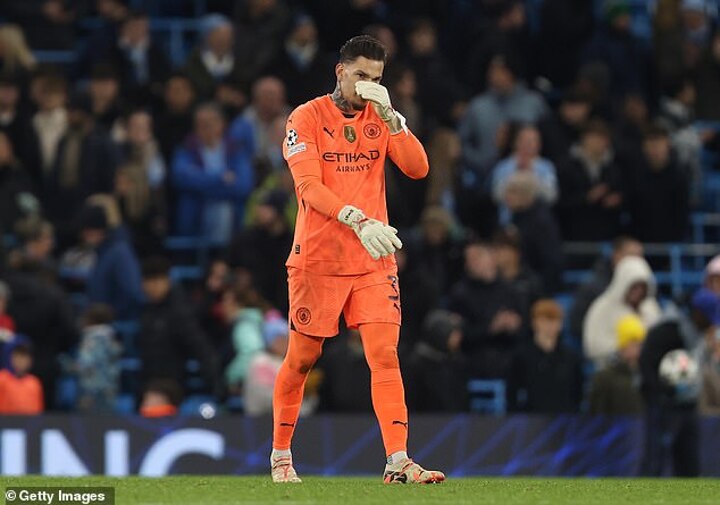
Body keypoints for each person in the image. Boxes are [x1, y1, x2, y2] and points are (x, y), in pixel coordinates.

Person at [270, 35, 444, 484]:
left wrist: (391, 116)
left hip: (372, 259)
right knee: (302, 360)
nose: (368, 86)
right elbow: (308, 186)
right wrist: (356, 217)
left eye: (377, 79)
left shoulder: (381, 117)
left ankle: (398, 461)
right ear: (340, 71)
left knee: (384, 356)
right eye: (361, 76)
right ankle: (281, 456)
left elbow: (418, 168)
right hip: (319, 260)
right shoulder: (305, 118)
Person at [583, 256, 662, 367]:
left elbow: (659, 340)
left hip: (646, 367)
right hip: (610, 369)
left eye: (642, 287)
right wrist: (622, 349)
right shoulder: (602, 308)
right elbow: (592, 345)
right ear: (623, 283)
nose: (638, 292)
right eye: (634, 286)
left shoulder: (651, 308)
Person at [507, 299, 582, 413]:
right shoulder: (521, 357)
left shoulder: (571, 357)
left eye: (554, 320)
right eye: (544, 320)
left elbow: (577, 393)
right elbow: (512, 393)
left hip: (564, 420)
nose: (549, 326)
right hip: (531, 420)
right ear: (534, 323)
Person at [588, 314, 646, 415]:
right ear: (623, 345)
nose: (638, 348)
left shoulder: (645, 375)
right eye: (634, 343)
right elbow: (597, 415)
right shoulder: (604, 378)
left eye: (640, 344)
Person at [0, 340, 44, 414]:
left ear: (30, 360)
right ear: (10, 358)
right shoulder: (2, 379)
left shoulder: (34, 383)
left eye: (24, 357)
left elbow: (38, 411)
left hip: (28, 424)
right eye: (17, 356)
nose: (20, 361)